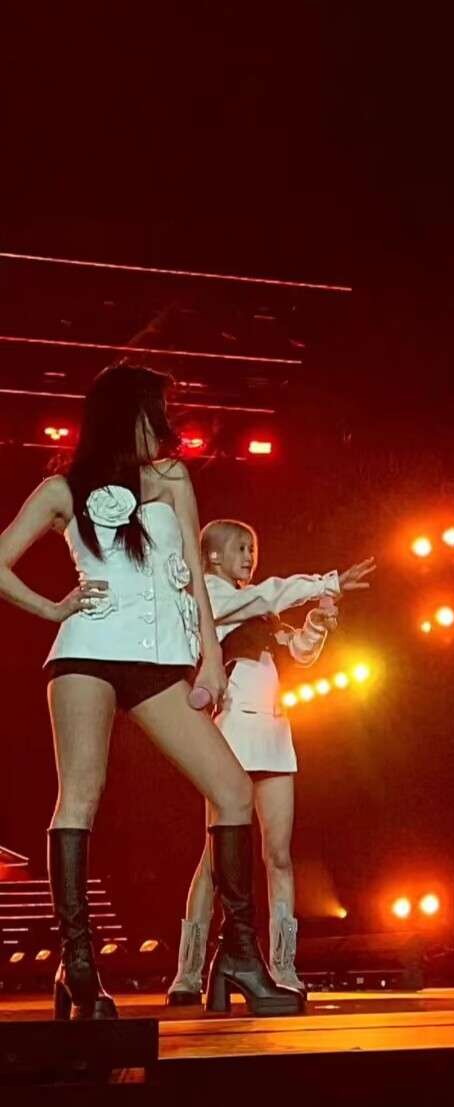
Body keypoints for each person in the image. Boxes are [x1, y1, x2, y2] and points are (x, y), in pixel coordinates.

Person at [0, 363, 302, 1018]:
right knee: (80, 796)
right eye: (155, 412)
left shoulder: (171, 479)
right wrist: (53, 609)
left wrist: (211, 660)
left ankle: (238, 954)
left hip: (160, 662)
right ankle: (78, 965)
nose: (165, 425)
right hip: (86, 652)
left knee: (231, 790)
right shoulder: (61, 490)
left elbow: (193, 571)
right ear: (126, 415)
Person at [166, 520, 374, 1004]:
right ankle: (188, 972)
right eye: (241, 548)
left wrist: (316, 624)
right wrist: (326, 581)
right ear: (213, 556)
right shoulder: (210, 598)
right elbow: (268, 595)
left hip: (275, 731)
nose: (249, 556)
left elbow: (296, 651)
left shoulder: (255, 603)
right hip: (232, 733)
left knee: (278, 855)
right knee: (215, 861)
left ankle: (282, 965)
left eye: (253, 548)